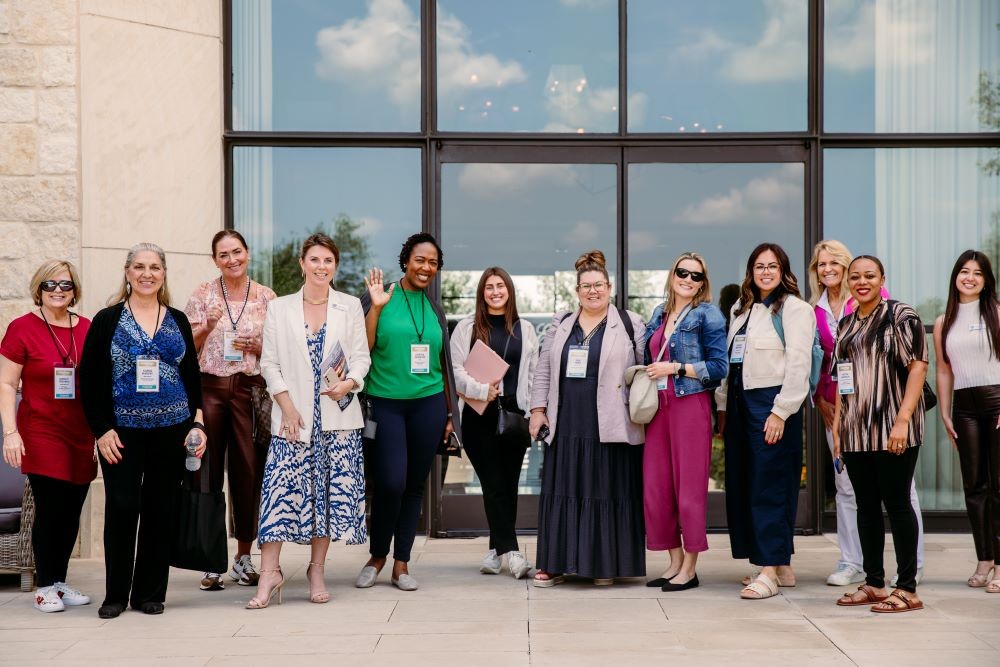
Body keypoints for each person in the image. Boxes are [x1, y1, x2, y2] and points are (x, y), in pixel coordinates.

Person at [79, 243, 206, 619]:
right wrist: (101, 430)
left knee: (159, 510)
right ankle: (115, 594)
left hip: (173, 431)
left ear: (163, 274)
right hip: (121, 434)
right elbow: (88, 380)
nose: (146, 273)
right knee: (122, 507)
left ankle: (150, 592)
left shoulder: (178, 319)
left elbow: (192, 376)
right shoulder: (107, 319)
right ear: (127, 272)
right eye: (139, 267)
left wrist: (197, 422)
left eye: (154, 267)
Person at [249, 232, 370, 609]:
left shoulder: (349, 306)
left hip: (337, 419)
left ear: (335, 266)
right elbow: (268, 362)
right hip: (293, 419)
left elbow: (362, 358)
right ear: (302, 263)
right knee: (279, 496)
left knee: (326, 498)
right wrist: (285, 406)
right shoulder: (280, 308)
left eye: (328, 261)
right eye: (314, 260)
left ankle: (316, 570)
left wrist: (350, 381)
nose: (321, 267)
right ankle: (269, 573)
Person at [808, 240, 926, 587]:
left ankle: (907, 583)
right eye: (857, 276)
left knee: (900, 502)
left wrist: (903, 420)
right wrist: (840, 428)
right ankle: (873, 582)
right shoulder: (845, 326)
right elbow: (843, 381)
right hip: (855, 430)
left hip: (894, 425)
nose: (862, 281)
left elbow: (918, 368)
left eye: (869, 276)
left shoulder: (900, 314)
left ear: (881, 279)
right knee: (866, 506)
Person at [529, 250, 646, 587]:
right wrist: (538, 410)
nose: (593, 291)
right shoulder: (561, 323)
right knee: (563, 490)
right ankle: (555, 563)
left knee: (605, 490)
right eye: (586, 286)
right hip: (565, 421)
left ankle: (604, 565)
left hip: (609, 423)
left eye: (599, 285)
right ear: (577, 290)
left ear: (610, 288)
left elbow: (643, 372)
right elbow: (544, 369)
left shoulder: (629, 322)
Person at [356, 232, 462, 592]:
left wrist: (449, 414)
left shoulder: (435, 308)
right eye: (420, 260)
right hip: (385, 402)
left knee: (414, 485)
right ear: (406, 261)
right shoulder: (381, 296)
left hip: (428, 404)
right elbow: (364, 348)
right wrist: (377, 307)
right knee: (390, 482)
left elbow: (441, 363)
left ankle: (401, 563)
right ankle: (377, 555)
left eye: (433, 262)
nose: (426, 267)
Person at [716, 242, 815, 600]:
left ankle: (769, 571)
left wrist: (781, 411)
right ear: (751, 271)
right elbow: (731, 365)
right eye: (760, 266)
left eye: (773, 266)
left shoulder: (795, 309)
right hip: (741, 405)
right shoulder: (740, 310)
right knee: (746, 484)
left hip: (771, 404)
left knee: (770, 486)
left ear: (784, 270)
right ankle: (780, 565)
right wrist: (723, 408)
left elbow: (799, 364)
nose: (766, 272)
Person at [0, 260, 96, 613]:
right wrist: (11, 433)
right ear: (38, 289)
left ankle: (59, 580)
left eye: (66, 285)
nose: (59, 291)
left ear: (75, 290)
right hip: (40, 429)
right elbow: (7, 383)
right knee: (51, 506)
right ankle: (44, 586)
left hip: (81, 433)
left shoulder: (86, 328)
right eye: (51, 285)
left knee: (72, 510)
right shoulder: (22, 328)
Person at [184, 230, 276, 592]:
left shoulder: (267, 297)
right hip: (210, 389)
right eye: (224, 255)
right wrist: (206, 326)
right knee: (206, 471)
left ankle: (243, 557)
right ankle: (209, 560)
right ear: (215, 260)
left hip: (250, 391)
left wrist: (259, 343)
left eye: (237, 252)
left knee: (249, 471)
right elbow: (185, 349)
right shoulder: (202, 294)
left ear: (247, 253)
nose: (232, 259)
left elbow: (282, 351)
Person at [642, 252, 728, 591]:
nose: (688, 279)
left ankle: (690, 568)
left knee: (688, 490)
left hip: (689, 404)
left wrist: (676, 368)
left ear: (703, 283)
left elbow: (719, 368)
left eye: (696, 276)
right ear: (672, 274)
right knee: (656, 489)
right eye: (683, 272)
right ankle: (674, 561)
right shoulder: (658, 313)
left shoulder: (708, 315)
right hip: (657, 407)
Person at [451, 267, 539, 579]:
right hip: (478, 418)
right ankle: (513, 552)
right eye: (489, 287)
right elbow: (456, 370)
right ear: (482, 293)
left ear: (509, 290)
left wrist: (533, 412)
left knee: (508, 485)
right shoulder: (467, 327)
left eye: (500, 286)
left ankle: (494, 551)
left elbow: (533, 373)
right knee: (492, 482)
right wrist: (480, 390)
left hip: (515, 417)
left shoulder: (525, 329)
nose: (495, 292)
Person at [933, 250, 1000, 592]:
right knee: (975, 487)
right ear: (955, 276)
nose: (969, 277)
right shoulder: (944, 321)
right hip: (965, 407)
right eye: (964, 271)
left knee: (999, 486)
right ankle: (985, 559)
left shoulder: (997, 314)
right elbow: (944, 370)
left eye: (977, 273)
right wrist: (945, 412)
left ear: (987, 280)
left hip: (997, 401)